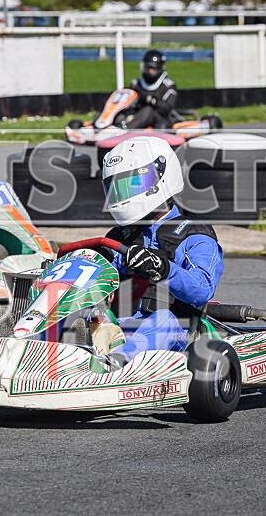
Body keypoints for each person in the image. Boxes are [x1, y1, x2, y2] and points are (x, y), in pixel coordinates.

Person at [98, 136, 224, 364]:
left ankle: (115, 366)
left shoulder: (193, 233)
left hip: (174, 330)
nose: (123, 194)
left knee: (162, 319)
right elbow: (99, 274)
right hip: (119, 326)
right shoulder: (118, 237)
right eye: (117, 188)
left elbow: (202, 288)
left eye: (130, 184)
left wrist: (163, 269)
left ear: (159, 178)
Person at [125, 50, 178, 130]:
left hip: (160, 121)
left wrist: (153, 100)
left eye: (153, 68)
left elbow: (167, 108)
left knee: (148, 110)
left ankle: (125, 131)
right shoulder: (136, 84)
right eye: (148, 68)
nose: (150, 71)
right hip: (136, 117)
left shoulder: (168, 86)